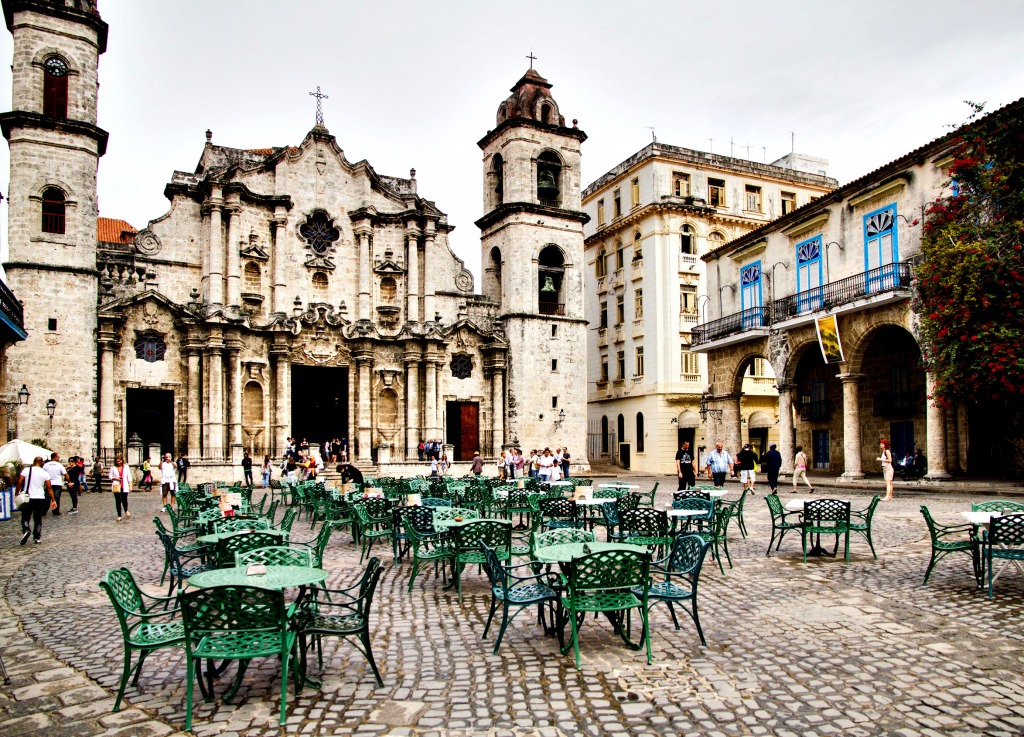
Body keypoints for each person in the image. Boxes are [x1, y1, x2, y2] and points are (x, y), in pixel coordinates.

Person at [18, 456, 55, 545]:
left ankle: (26, 529)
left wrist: (16, 493)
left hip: (28, 497)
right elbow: (49, 487)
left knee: (25, 517)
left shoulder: (27, 470)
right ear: (42, 463)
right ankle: (37, 537)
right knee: (38, 518)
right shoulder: (45, 473)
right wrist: (53, 500)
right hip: (40, 497)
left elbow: (20, 481)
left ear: (34, 462)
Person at [109, 456, 132, 522]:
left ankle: (126, 510)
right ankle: (119, 515)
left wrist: (130, 486)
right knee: (118, 501)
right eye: (117, 461)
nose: (118, 462)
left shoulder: (126, 467)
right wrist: (115, 478)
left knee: (124, 499)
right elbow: (110, 476)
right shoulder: (113, 468)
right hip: (116, 485)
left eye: (119, 461)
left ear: (122, 461)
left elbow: (129, 476)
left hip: (124, 485)